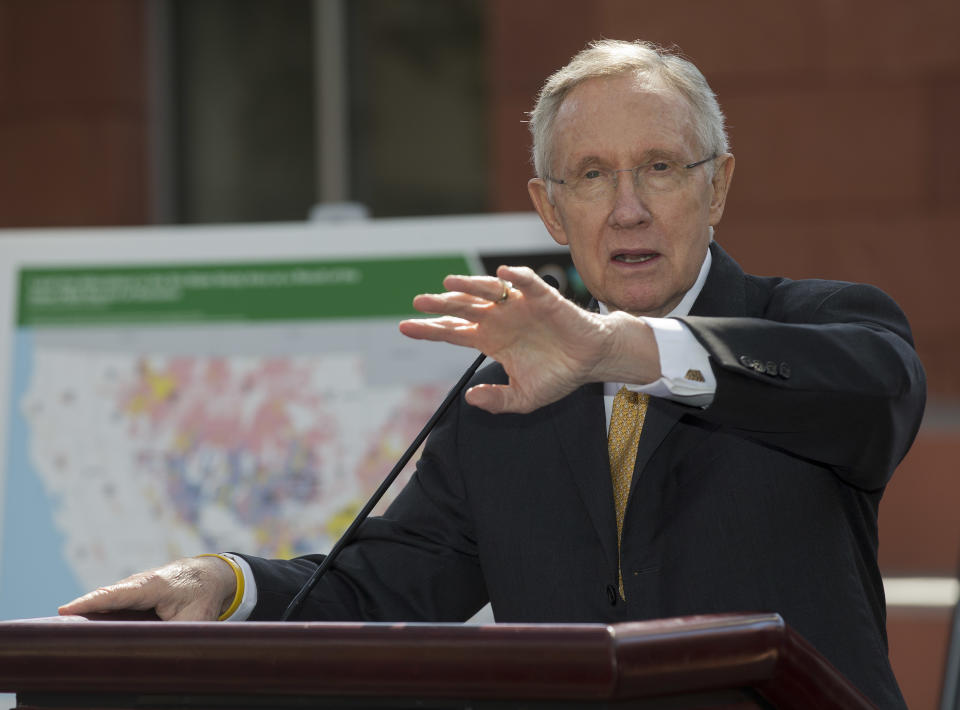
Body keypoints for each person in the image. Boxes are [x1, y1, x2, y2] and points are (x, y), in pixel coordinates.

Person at [60, 39, 924, 708]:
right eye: (591, 176)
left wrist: (621, 349)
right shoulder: (503, 398)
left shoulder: (820, 325)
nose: (628, 206)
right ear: (550, 206)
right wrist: (227, 582)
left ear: (718, 186)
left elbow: (874, 393)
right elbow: (371, 592)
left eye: (660, 168)